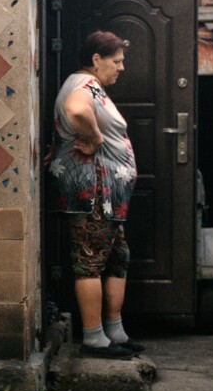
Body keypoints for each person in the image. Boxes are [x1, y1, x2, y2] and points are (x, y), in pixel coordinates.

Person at [49, 30, 143, 359]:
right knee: (89, 260)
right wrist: (95, 138)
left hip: (109, 197)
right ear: (96, 60)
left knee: (117, 257)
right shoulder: (83, 85)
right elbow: (76, 110)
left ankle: (114, 331)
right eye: (116, 61)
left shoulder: (91, 86)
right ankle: (93, 338)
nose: (121, 67)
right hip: (93, 194)